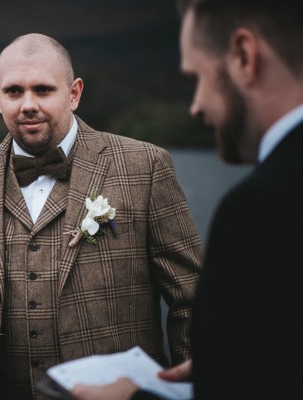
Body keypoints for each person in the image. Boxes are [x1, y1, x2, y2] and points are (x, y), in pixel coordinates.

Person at [0, 33, 203, 399]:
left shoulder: (145, 167)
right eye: (15, 91)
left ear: (74, 93)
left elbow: (192, 300)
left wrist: (186, 389)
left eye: (44, 90)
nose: (28, 104)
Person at [71, 0, 303, 399]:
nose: (196, 106)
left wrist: (134, 397)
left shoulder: (262, 208)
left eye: (198, 77)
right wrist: (229, 362)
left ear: (245, 57)